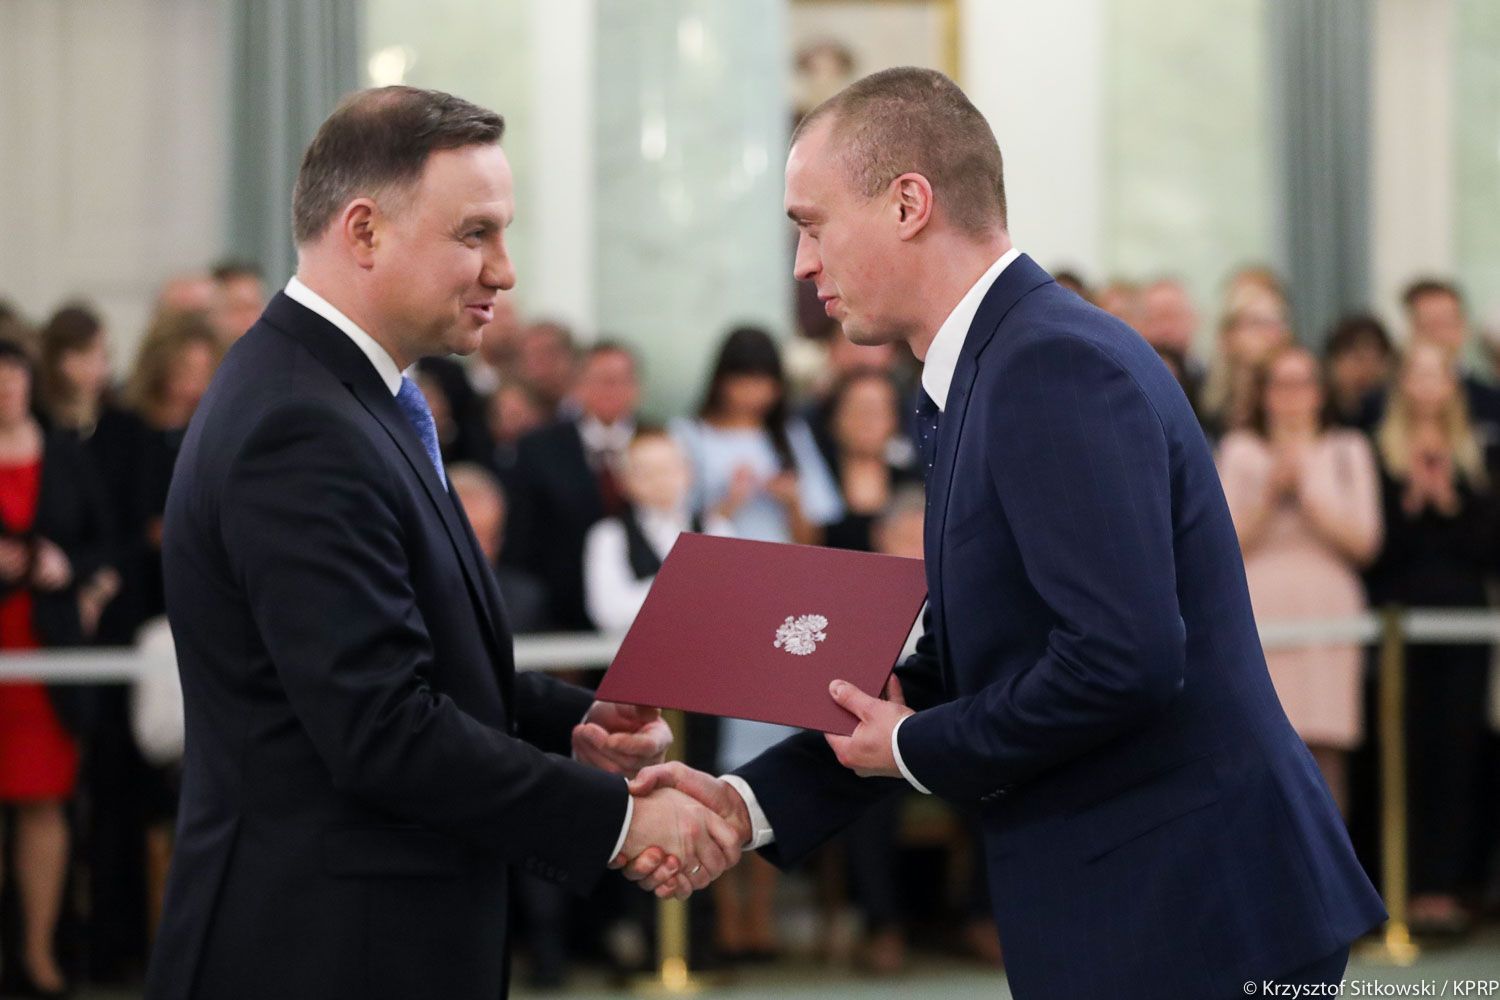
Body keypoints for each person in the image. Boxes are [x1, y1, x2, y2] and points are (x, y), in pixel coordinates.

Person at [628, 67, 1385, 997]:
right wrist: (746, 806)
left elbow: (1123, 659)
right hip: (1142, 896)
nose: (804, 265)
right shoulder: (990, 367)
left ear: (909, 203)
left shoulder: (1050, 366)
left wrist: (913, 747)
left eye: (812, 225)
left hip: (1193, 907)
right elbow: (966, 660)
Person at [143, 86, 739, 1000]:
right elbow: (379, 729)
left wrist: (562, 724)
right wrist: (620, 822)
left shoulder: (345, 397)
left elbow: (400, 661)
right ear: (365, 232)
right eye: (476, 234)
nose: (505, 270)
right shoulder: (299, 427)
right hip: (318, 950)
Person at [1366, 340, 1500, 934]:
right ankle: (1399, 881)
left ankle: (1444, 885)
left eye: (1436, 374)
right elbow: (1375, 549)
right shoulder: (1378, 453)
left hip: (1463, 619)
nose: (1426, 386)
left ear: (1452, 386)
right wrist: (1413, 500)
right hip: (1398, 619)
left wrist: (1445, 499)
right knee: (1401, 747)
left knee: (1457, 750)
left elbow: (1488, 547)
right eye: (1415, 374)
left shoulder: (1475, 456)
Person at [1216, 346, 1382, 815]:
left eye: (1303, 383)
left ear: (1321, 392)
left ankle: (1328, 879)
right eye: (1281, 385)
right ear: (1264, 394)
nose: (1293, 397)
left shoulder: (1348, 449)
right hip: (1260, 610)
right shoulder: (1239, 449)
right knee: (1258, 749)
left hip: (1328, 612)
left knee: (1326, 750)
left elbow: (1365, 540)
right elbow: (1220, 541)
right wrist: (1270, 493)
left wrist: (1308, 491)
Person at [0, 339, 114, 997]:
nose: (6, 389)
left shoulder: (66, 454)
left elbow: (109, 542)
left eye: (13, 376)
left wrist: (70, 572)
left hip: (48, 652)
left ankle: (39, 954)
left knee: (44, 803)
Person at [504, 342, 643, 631]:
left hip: (642, 610)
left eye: (621, 381)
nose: (612, 390)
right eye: (602, 381)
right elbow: (522, 537)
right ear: (578, 386)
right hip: (563, 614)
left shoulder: (656, 441)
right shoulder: (539, 447)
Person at [584, 428, 731, 634]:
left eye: (669, 468)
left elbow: (729, 602)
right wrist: (690, 592)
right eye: (645, 472)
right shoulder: (609, 535)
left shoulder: (715, 527)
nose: (660, 480)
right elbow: (608, 612)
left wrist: (657, 597)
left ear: (689, 472)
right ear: (623, 482)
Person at [1323, 313, 1394, 431]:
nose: (1365, 369)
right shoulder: (1316, 408)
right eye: (1358, 358)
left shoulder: (1388, 410)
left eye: (1374, 359)